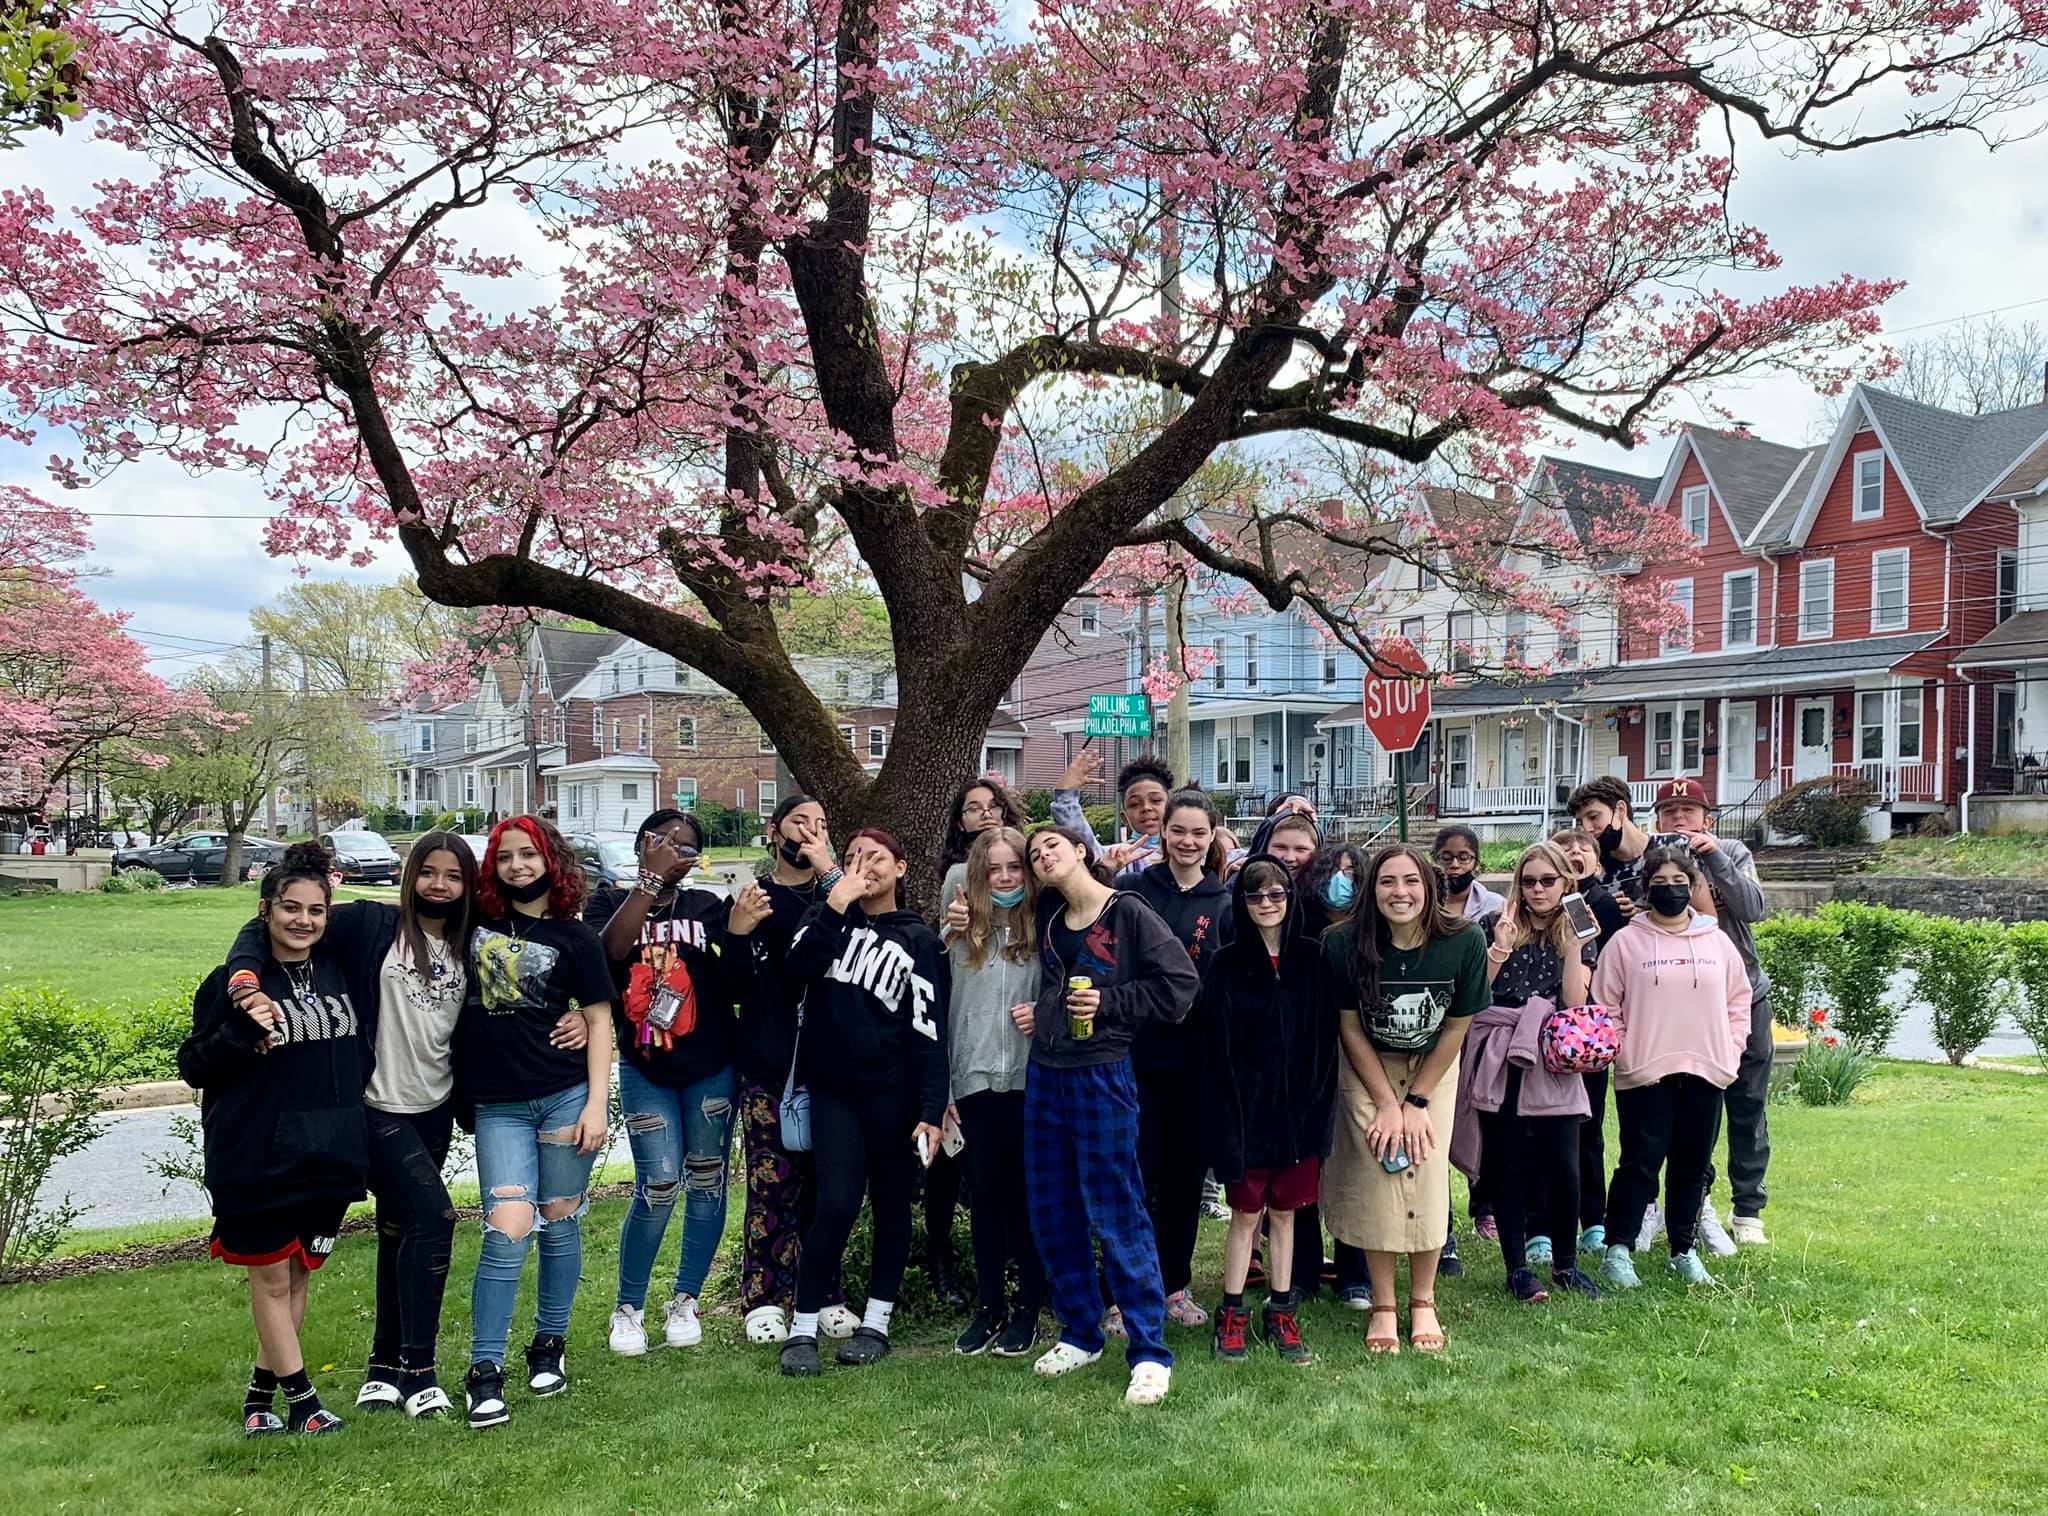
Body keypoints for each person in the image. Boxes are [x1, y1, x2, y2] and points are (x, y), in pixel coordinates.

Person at [220, 831, 565, 1420]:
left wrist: (579, 1018)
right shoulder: (372, 925)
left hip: (434, 1107)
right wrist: (244, 983)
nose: (439, 884)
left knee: (399, 1231)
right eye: (428, 872)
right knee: (433, 1219)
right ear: (411, 876)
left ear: (465, 885)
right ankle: (420, 1370)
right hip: (374, 1106)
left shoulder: (473, 938)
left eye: (452, 876)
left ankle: (382, 1370)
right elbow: (269, 927)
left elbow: (545, 970)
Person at [180, 842, 368, 1437]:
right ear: (266, 911)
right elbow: (194, 1064)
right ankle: (305, 1402)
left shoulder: (339, 969)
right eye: (290, 908)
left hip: (328, 1152)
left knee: (299, 1273)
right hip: (254, 1155)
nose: (303, 921)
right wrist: (239, 1030)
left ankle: (260, 1394)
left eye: (315, 911)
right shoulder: (231, 983)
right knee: (268, 1275)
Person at [1021, 825, 1201, 1406]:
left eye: (1052, 845)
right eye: (1034, 852)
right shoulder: (1049, 915)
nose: (1042, 855)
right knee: (1054, 1207)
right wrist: (1045, 1012)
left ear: (1081, 850)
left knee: (1117, 1209)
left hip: (1104, 1073)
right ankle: (1080, 1332)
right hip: (1046, 1073)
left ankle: (1149, 1351)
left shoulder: (1128, 913)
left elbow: (1180, 986)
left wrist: (1110, 1003)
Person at [459, 815, 614, 1430]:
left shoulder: (576, 940)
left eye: (529, 854)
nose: (518, 866)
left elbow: (599, 1020)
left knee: (559, 1219)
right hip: (498, 1104)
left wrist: (597, 1105)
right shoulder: (474, 925)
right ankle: (485, 1370)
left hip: (563, 1096)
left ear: (552, 861)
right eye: (505, 856)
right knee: (507, 1225)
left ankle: (549, 1345)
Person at [777, 830, 951, 1377]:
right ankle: (802, 1325)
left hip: (894, 1095)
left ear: (901, 867)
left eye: (876, 858)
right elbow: (797, 970)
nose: (863, 866)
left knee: (893, 1205)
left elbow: (930, 1030)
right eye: (852, 857)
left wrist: (930, 1107)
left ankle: (877, 1321)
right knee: (835, 1203)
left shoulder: (919, 939)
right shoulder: (825, 917)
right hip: (833, 1093)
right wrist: (834, 903)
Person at [1320, 843, 1488, 1354]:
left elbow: (1458, 1026)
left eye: (1411, 881)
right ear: (1372, 890)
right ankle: (1384, 1306)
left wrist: (1414, 1102)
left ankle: (1423, 1301)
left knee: (1425, 1172)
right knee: (1377, 1175)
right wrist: (1386, 1104)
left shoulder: (1464, 941)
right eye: (1388, 882)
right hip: (1369, 1063)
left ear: (1429, 888)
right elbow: (1349, 1027)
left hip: (1433, 1066)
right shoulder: (1343, 943)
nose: (1401, 892)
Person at [589, 809, 738, 1358]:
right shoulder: (609, 903)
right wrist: (648, 885)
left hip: (711, 1065)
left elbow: (736, 973)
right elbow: (607, 953)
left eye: (686, 845)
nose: (674, 849)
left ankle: (685, 1299)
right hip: (645, 1067)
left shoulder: (706, 907)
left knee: (706, 1177)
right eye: (662, 840)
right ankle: (628, 1307)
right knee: (657, 1182)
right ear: (640, 845)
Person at [728, 795, 859, 1345]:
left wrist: (834, 879)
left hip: (831, 1063)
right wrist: (738, 931)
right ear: (773, 830)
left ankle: (823, 1290)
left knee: (826, 1185)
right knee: (771, 1180)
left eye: (823, 824)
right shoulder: (758, 897)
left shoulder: (844, 893)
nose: (811, 833)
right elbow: (737, 987)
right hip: (771, 1061)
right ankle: (763, 1295)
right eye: (799, 822)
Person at [1591, 846, 1753, 1289]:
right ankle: (1618, 1249)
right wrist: (1625, 1052)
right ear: (1646, 890)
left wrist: (1731, 1049)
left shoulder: (1717, 942)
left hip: (1706, 1069)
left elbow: (1739, 1001)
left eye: (1679, 885)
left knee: (1691, 1165)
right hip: (1645, 1072)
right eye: (1660, 885)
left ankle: (1683, 1249)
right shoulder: (1626, 942)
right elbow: (1606, 1006)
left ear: (1693, 887)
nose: (1671, 892)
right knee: (1639, 1164)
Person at [1202, 857, 1336, 1366]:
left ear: (1290, 898)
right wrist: (1225, 1123)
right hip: (1246, 1117)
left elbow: (1326, 1042)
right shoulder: (1226, 964)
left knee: (1285, 1214)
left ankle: (1281, 1308)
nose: (1266, 904)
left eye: (1276, 894)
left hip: (1299, 1119)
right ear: (1242, 901)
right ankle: (1232, 1310)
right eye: (1255, 895)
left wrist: (1318, 1112)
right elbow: (1214, 1050)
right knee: (1245, 1215)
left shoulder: (1311, 959)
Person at [1458, 842, 1601, 1304]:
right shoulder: (1493, 925)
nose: (1537, 890)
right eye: (1528, 881)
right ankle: (1517, 1268)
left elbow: (1576, 1003)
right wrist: (1499, 946)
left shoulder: (1576, 932)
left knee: (1565, 1165)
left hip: (1553, 1053)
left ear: (1566, 884)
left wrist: (1576, 947)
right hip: (1502, 1051)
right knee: (1507, 1165)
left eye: (1548, 881)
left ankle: (1566, 1265)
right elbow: (1477, 990)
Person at [1126, 788, 1235, 1331]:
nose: (1188, 841)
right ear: (1161, 832)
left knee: (1185, 1182)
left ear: (1213, 835)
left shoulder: (1227, 903)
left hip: (1200, 1065)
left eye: (1199, 832)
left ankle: (1174, 1286)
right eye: (1178, 831)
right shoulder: (1132, 893)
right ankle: (1125, 1292)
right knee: (1136, 1177)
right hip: (1138, 1059)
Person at [1648, 778, 1774, 1252]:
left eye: (1688, 810)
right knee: (1689, 1112)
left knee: (1747, 1104)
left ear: (1707, 818)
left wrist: (1713, 856)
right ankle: (1689, 1207)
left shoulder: (1733, 851)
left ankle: (1747, 1209)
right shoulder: (1653, 859)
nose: (1678, 819)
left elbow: (1754, 908)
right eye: (1669, 811)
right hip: (1683, 1006)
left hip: (1744, 995)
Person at [926, 775, 1030, 1310]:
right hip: (972, 1070)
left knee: (1028, 1190)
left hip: (1030, 1072)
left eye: (994, 807)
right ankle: (985, 1295)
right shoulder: (958, 884)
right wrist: (952, 927)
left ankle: (1029, 1296)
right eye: (972, 808)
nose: (985, 815)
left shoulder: (1041, 901)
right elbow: (946, 974)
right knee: (980, 1186)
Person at [942, 825, 1046, 1358]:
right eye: (994, 870)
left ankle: (1029, 1306)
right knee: (983, 1199)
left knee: (1027, 1201)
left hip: (1030, 1082)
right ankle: (989, 1307)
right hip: (973, 1081)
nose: (1005, 878)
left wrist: (1044, 1015)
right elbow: (938, 1010)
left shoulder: (1043, 926)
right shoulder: (958, 931)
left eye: (1014, 868)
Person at [1547, 827, 1628, 1255]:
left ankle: (1593, 1219)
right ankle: (1539, 1224)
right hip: (1542, 1033)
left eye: (1584, 849)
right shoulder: (1537, 905)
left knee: (1589, 1128)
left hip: (1587, 1032)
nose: (1574, 853)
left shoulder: (1598, 904)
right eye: (1565, 849)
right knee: (1541, 1135)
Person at [1052, 748, 1174, 871]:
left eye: (1156, 800)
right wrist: (1065, 798)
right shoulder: (1116, 856)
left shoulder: (1185, 849)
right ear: (1124, 818)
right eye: (1135, 804)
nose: (1146, 808)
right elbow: (1089, 849)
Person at [1568, 776, 1651, 903]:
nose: (1586, 828)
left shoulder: (1675, 847)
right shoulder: (1589, 866)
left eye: (1593, 816)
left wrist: (1645, 916)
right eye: (1580, 822)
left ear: (1620, 810)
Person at [1432, 825, 1503, 920]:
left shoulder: (1496, 906)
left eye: (1464, 858)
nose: (1454, 865)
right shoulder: (1420, 904)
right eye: (1446, 858)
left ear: (1476, 864)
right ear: (1434, 862)